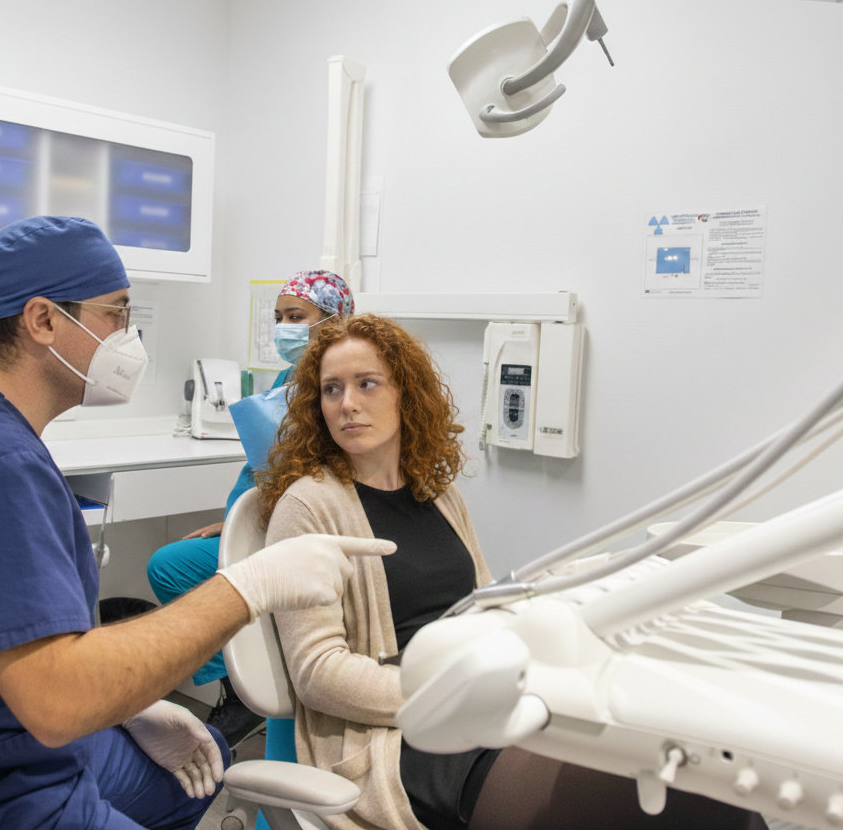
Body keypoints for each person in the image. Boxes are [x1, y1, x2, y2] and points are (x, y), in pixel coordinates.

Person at [0, 216, 392, 830]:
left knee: (193, 773)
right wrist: (248, 587)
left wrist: (131, 707)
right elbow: (59, 703)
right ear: (43, 320)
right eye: (117, 313)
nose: (128, 336)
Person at [255, 314, 767, 830]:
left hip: (478, 701)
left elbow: (483, 605)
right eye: (332, 389)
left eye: (367, 383)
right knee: (629, 799)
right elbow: (319, 673)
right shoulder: (308, 506)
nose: (347, 403)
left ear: (405, 394)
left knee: (703, 777)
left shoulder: (435, 492)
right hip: (396, 736)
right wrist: (453, 697)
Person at [147, 269, 354, 746]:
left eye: (296, 317)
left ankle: (252, 689)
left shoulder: (338, 387)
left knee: (184, 572)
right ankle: (238, 685)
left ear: (334, 320)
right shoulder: (286, 379)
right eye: (279, 317)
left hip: (300, 532)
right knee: (171, 567)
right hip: (262, 522)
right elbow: (265, 466)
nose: (284, 328)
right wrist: (233, 522)